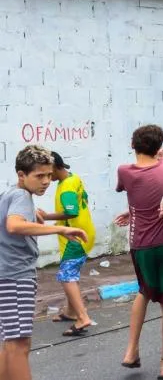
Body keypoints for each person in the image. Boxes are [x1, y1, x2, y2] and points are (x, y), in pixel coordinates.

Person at [0, 146, 88, 380]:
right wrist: (61, 227)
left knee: (12, 343)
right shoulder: (20, 196)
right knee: (19, 345)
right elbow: (14, 225)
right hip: (15, 277)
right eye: (39, 176)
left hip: (7, 275)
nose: (46, 181)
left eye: (49, 175)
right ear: (21, 175)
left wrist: (37, 215)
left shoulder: (13, 194)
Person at [114, 125, 163, 378]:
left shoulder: (123, 170)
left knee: (143, 291)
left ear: (133, 145)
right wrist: (160, 160)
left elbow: (131, 191)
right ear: (158, 148)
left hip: (140, 244)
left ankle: (131, 350)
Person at [37, 152, 96, 337]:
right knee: (71, 274)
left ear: (54, 168)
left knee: (66, 276)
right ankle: (71, 312)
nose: (46, 178)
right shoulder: (72, 178)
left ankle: (82, 317)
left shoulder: (67, 187)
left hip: (75, 238)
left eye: (47, 173)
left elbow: (71, 211)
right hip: (82, 234)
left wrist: (46, 216)